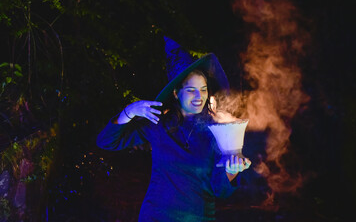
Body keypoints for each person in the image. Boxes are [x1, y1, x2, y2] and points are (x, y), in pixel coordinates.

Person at [97, 36, 251, 221]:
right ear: (176, 93)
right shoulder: (159, 125)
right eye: (191, 90)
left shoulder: (217, 132)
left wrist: (232, 169)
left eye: (203, 89)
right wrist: (129, 111)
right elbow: (107, 142)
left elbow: (220, 190)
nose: (199, 96)